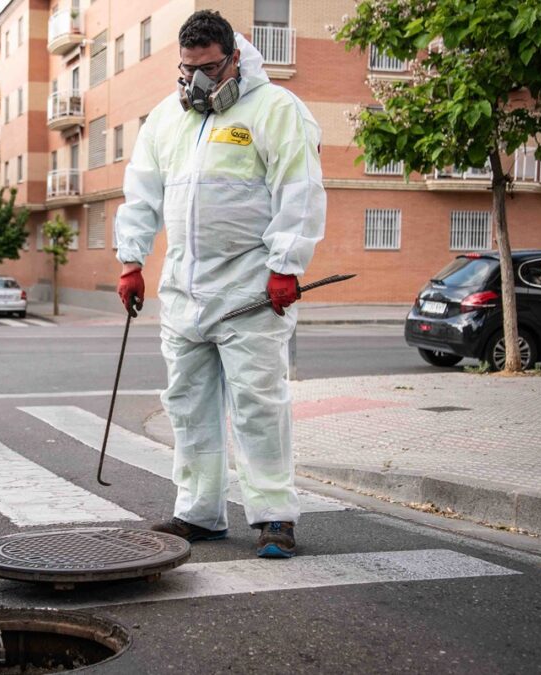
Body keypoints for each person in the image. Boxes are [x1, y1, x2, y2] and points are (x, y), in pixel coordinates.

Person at [114, 10, 326, 558]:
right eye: (187, 69)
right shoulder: (167, 117)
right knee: (187, 405)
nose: (197, 80)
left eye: (208, 67)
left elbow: (298, 191)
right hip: (184, 295)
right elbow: (141, 193)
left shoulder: (276, 109)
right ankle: (201, 512)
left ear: (234, 56)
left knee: (259, 405)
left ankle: (274, 515)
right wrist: (131, 260)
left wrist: (286, 265)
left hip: (250, 291)